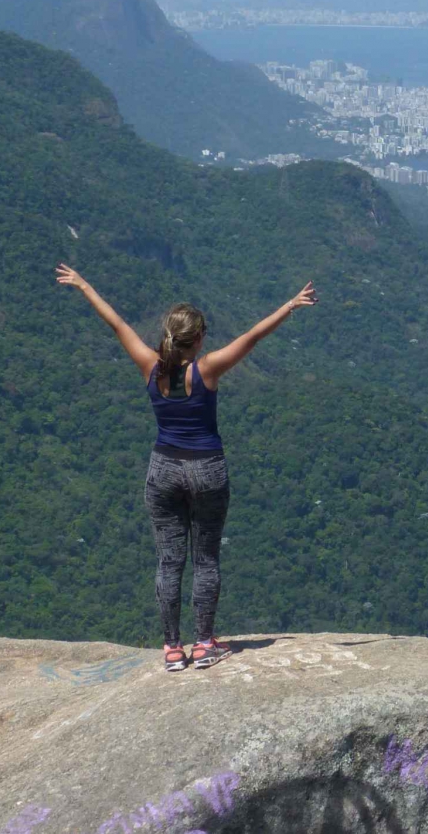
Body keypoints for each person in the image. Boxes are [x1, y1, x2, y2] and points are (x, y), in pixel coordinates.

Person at [55, 264, 318, 671]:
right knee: (206, 559)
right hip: (207, 469)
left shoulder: (149, 365)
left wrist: (84, 285)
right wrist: (290, 305)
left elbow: (117, 324)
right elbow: (253, 336)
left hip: (163, 470)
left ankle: (173, 649)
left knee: (169, 561)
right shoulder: (207, 369)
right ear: (198, 339)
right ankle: (204, 645)